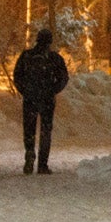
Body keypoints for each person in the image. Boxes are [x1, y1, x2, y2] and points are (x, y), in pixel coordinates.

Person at [10, 26, 69, 175]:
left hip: (30, 98)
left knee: (29, 129)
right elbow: (63, 78)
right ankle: (43, 164)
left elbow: (17, 76)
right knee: (45, 131)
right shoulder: (55, 58)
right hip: (47, 99)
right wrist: (53, 89)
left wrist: (25, 90)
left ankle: (29, 155)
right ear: (50, 41)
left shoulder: (26, 56)